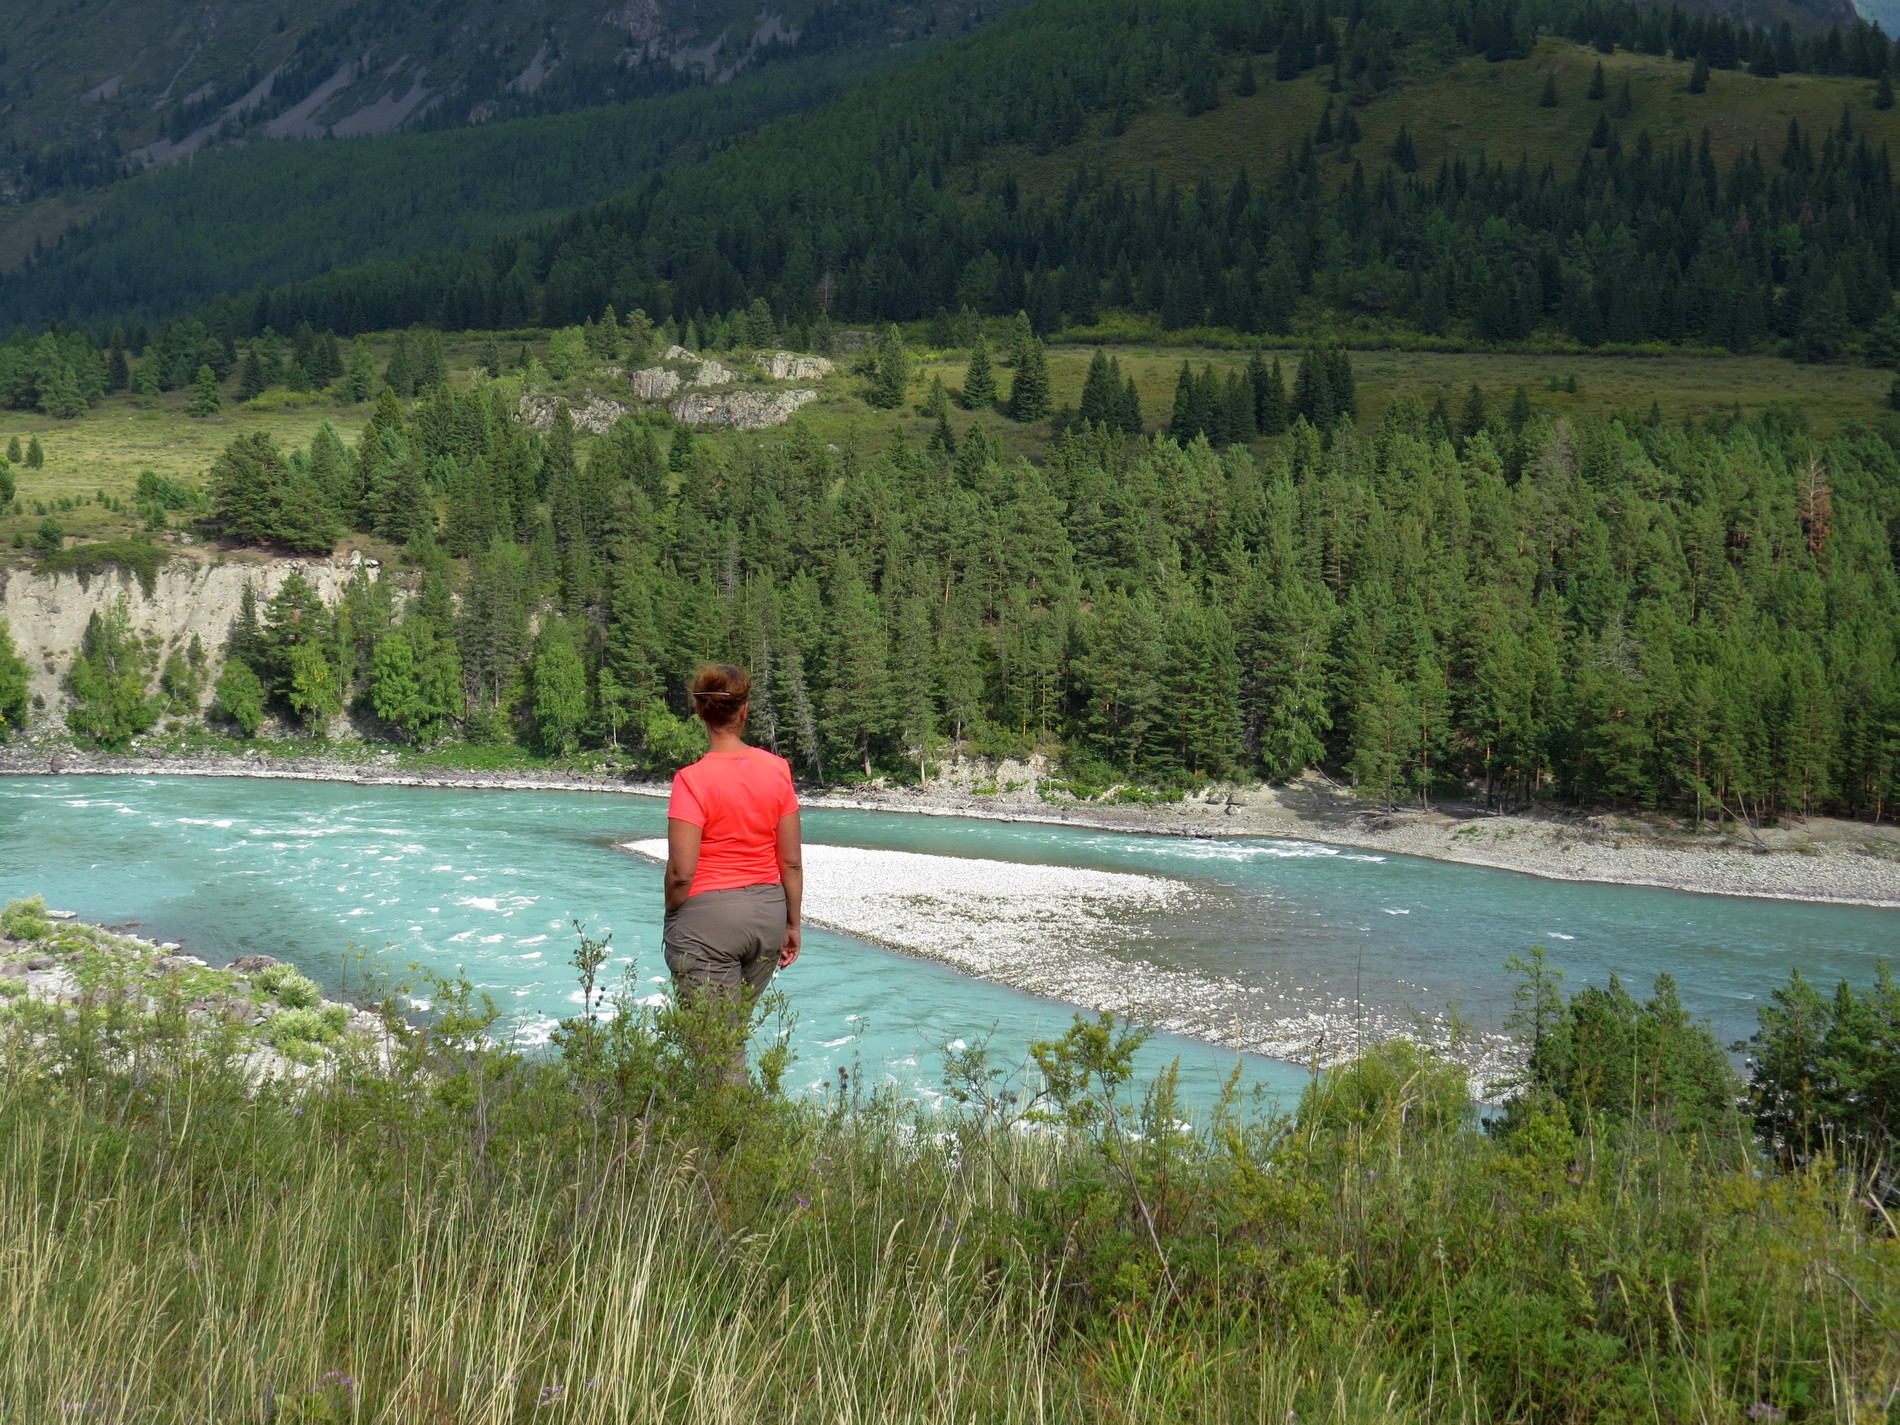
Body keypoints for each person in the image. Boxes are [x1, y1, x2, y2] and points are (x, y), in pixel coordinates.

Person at [662, 663, 803, 1071]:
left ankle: (725, 1134)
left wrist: (674, 911)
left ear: (700, 711)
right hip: (767, 917)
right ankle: (738, 1126)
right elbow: (790, 860)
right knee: (731, 1033)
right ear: (743, 711)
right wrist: (791, 923)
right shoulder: (777, 770)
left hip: (707, 921)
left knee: (715, 1050)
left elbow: (682, 872)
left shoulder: (691, 780)